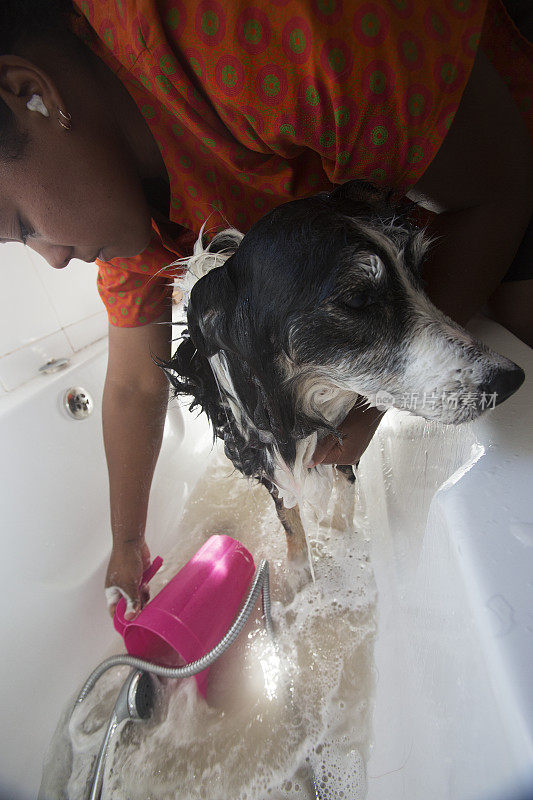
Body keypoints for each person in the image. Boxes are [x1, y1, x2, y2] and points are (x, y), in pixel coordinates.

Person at [0, 0, 531, 619]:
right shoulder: (130, 224)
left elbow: (500, 188)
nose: (55, 259)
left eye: (23, 225)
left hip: (489, 147)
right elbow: (133, 385)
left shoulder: (242, 35)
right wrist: (126, 546)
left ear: (30, 94)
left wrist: (373, 404)